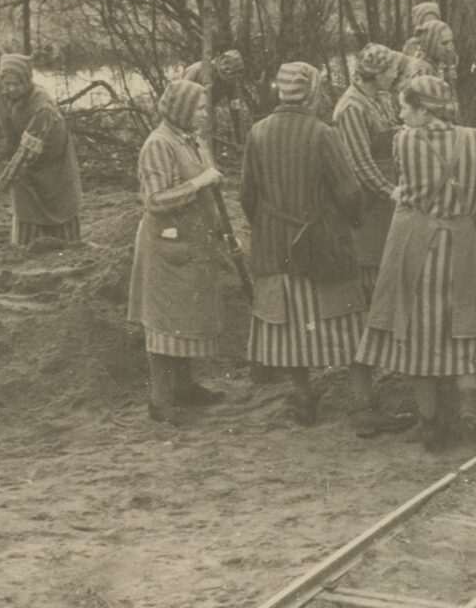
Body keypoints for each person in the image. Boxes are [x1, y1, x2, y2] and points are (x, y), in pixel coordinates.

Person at [356, 76, 476, 451]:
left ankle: (430, 423)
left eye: (405, 107)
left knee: (416, 326)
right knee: (463, 320)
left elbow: (407, 187)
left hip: (411, 241)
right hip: (458, 242)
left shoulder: (402, 141)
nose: (400, 115)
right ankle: (470, 409)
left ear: (424, 111)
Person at [243, 62, 413, 434]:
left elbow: (247, 197)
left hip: (274, 247)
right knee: (347, 322)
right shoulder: (322, 133)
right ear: (312, 93)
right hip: (322, 244)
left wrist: (270, 228)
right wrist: (352, 221)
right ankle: (363, 406)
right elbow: (349, 192)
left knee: (286, 324)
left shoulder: (257, 132)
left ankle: (303, 399)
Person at [127, 80, 229, 422]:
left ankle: (184, 387)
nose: (205, 114)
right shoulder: (158, 144)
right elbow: (155, 200)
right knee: (163, 324)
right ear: (182, 110)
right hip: (165, 246)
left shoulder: (194, 140)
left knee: (184, 319)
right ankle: (161, 402)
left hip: (191, 241)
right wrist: (200, 182)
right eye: (199, 108)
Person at [0, 53, 83, 246]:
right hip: (26, 166)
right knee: (25, 212)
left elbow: (26, 153)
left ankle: (68, 250)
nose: (10, 88)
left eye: (16, 84)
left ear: (27, 81)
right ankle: (23, 249)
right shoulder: (3, 90)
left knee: (60, 217)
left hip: (53, 167)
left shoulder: (43, 107)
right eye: (7, 84)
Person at [333, 44, 401, 299]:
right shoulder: (352, 107)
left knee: (385, 255)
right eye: (392, 70)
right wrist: (390, 191)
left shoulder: (378, 98)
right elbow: (359, 162)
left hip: (383, 193)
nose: (395, 75)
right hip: (367, 197)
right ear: (378, 74)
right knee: (370, 259)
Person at [185, 49, 247, 143]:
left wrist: (239, 140)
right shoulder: (196, 70)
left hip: (207, 116)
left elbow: (235, 109)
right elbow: (180, 96)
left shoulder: (231, 82)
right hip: (188, 113)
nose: (231, 79)